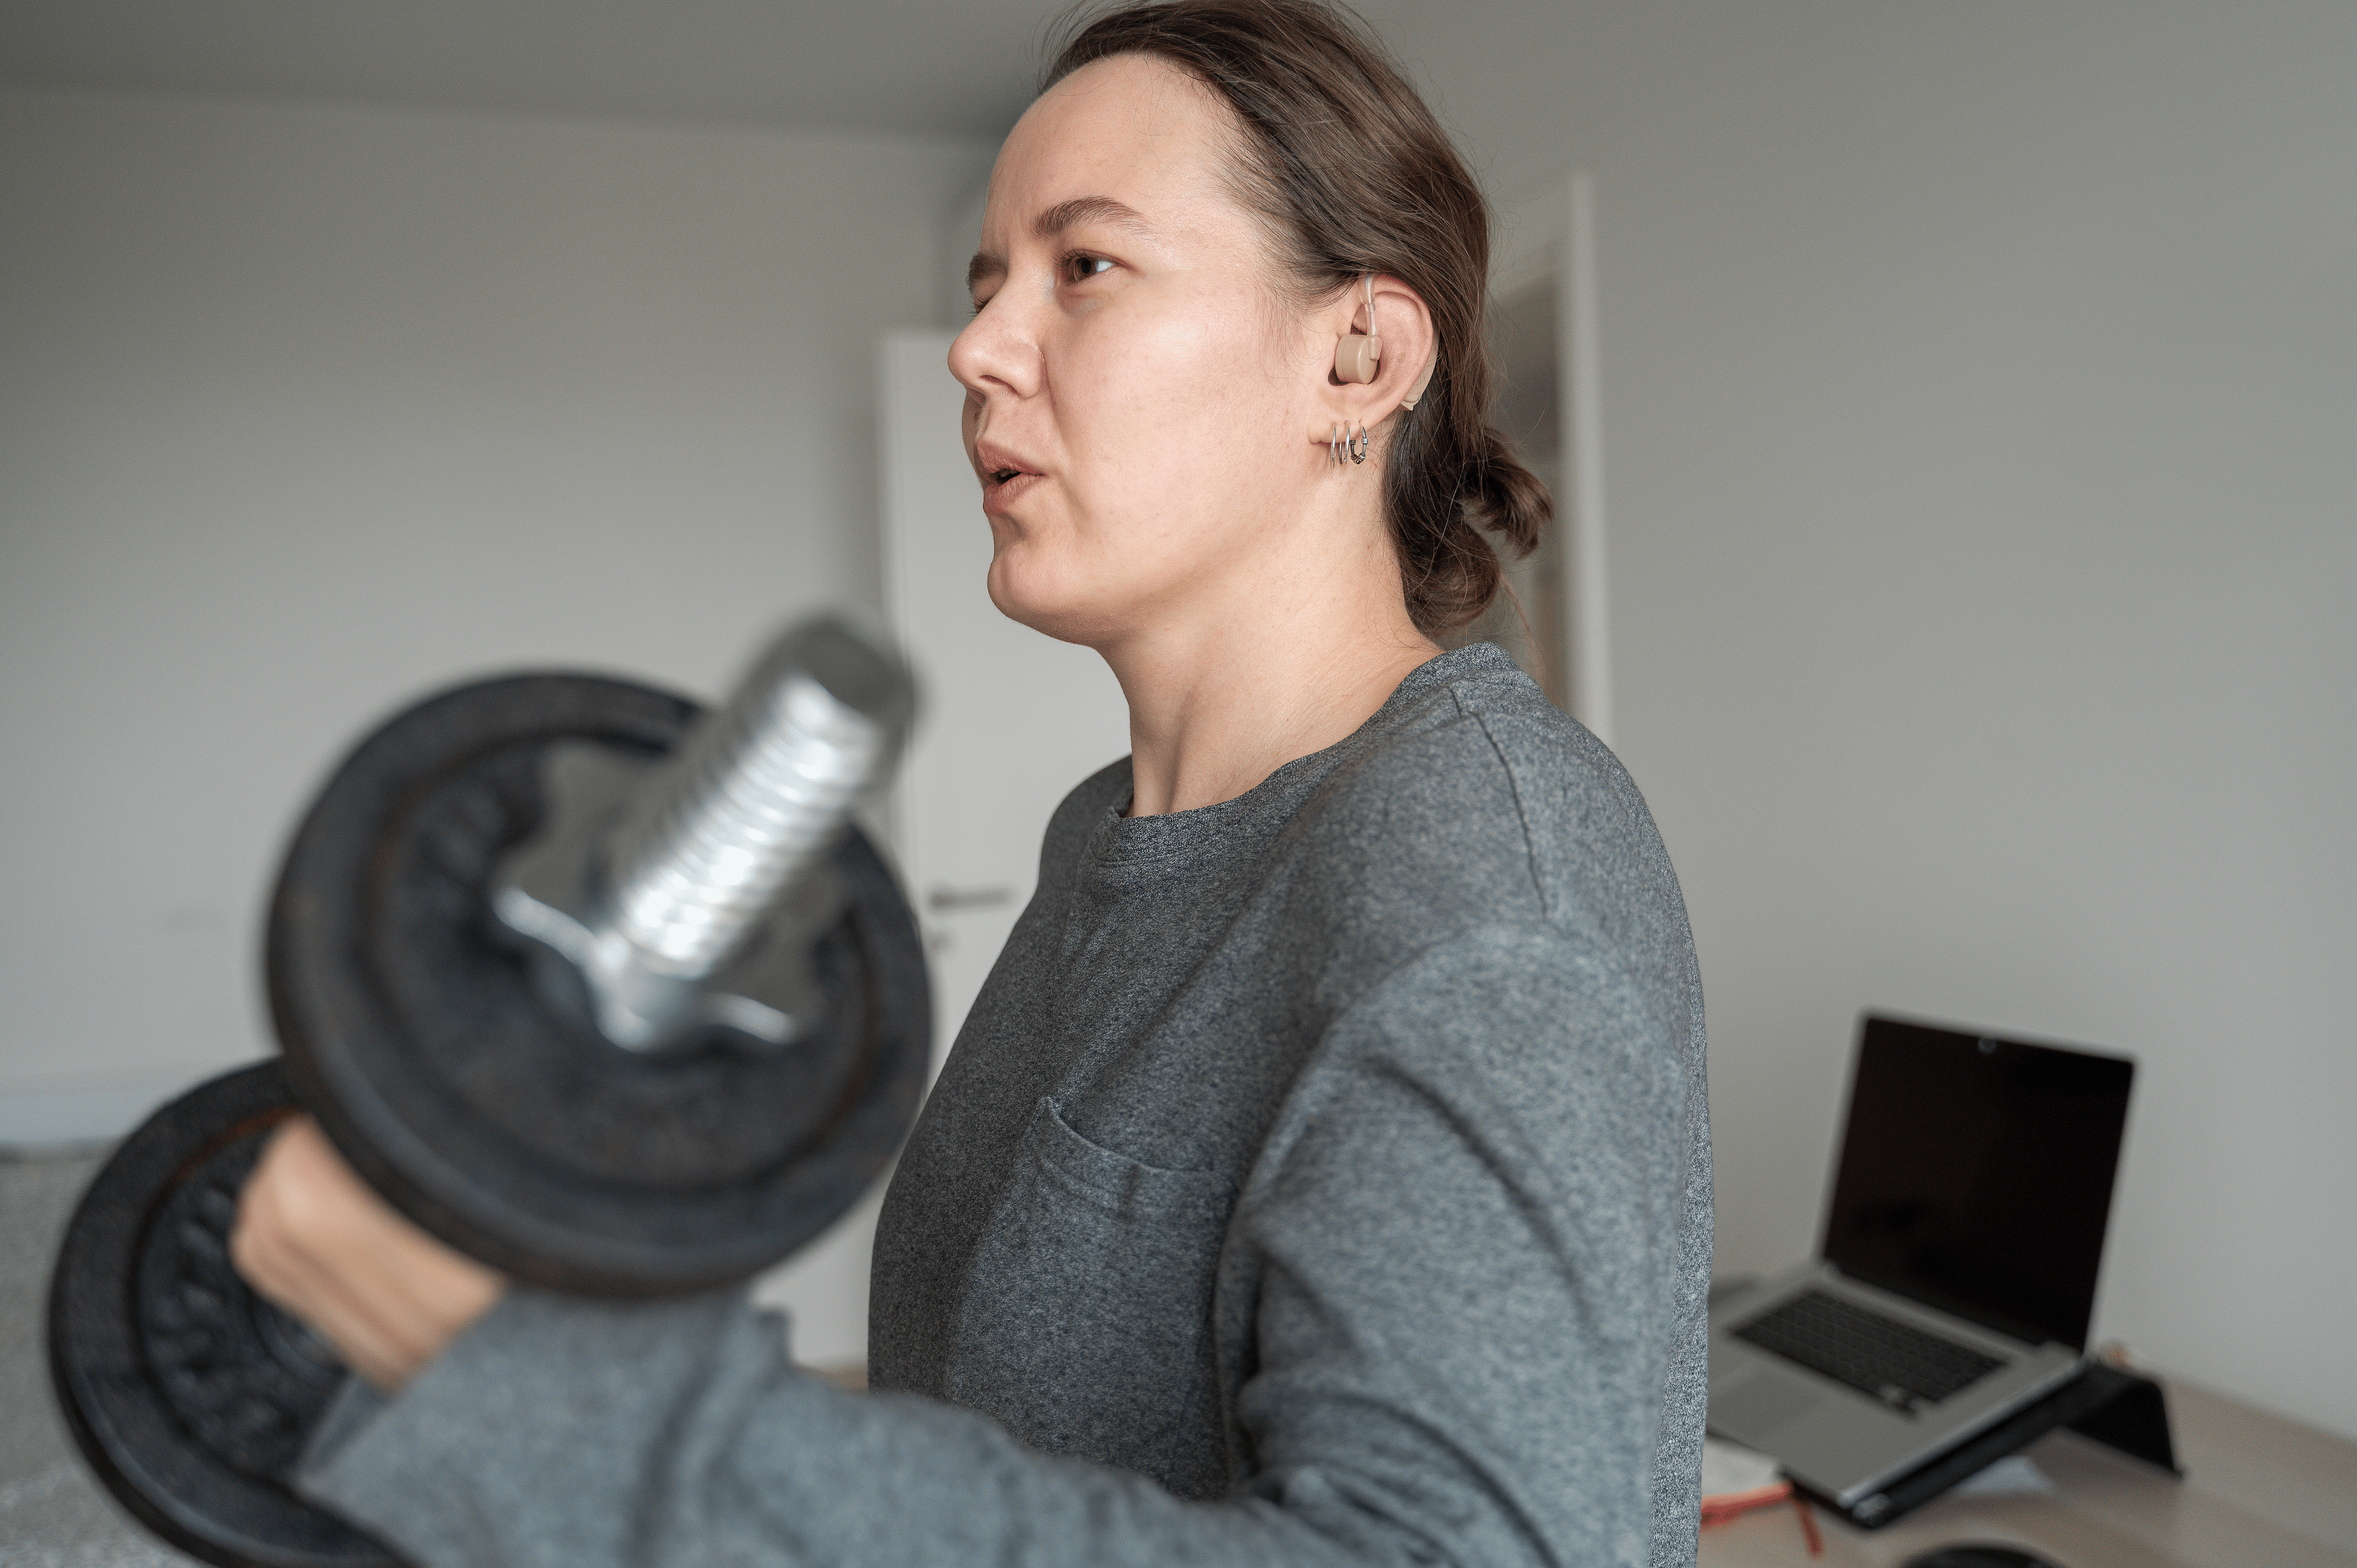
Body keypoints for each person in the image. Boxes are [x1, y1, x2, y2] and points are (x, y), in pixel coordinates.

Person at [231, 2, 1714, 1564]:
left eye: (1085, 267)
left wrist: (563, 1407)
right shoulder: (1118, 835)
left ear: (1358, 354)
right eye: (988, 281)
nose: (978, 346)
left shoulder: (1485, 892)